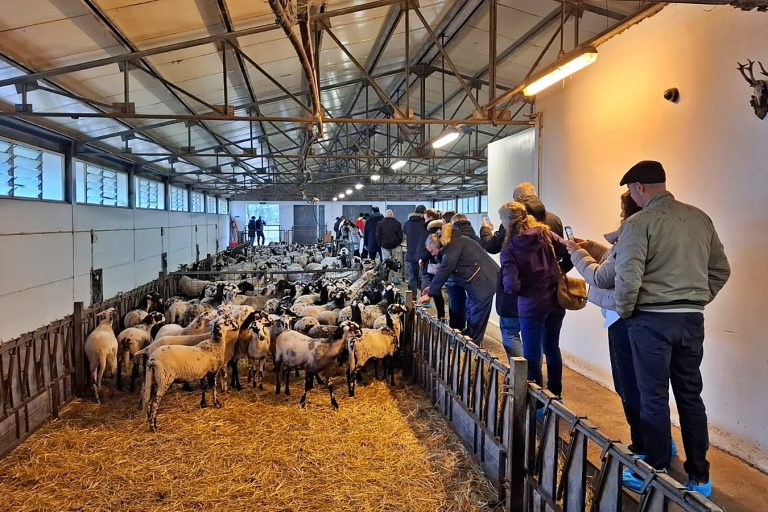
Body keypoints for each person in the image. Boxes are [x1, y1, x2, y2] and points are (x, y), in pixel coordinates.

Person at [613, 161, 730, 497]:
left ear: (639, 187)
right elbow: (721, 270)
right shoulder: (699, 218)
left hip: (650, 321)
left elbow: (628, 278)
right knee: (690, 394)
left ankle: (655, 469)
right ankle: (700, 476)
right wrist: (697, 300)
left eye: (631, 189)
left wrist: (626, 313)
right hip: (691, 320)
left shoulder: (638, 223)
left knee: (652, 396)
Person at [563, 191, 646, 455]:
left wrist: (577, 254)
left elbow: (601, 276)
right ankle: (659, 442)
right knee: (649, 386)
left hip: (623, 318)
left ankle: (643, 449)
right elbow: (614, 260)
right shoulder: (649, 234)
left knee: (628, 384)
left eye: (623, 209)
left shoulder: (633, 235)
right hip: (645, 318)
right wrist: (591, 247)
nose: (620, 214)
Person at [498, 201, 569, 398]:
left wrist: (523, 288)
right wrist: (556, 275)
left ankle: (536, 402)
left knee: (531, 355)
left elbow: (511, 286)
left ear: (507, 222)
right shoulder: (546, 233)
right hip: (555, 301)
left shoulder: (510, 248)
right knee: (552, 348)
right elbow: (568, 251)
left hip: (531, 306)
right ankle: (555, 395)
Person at [416, 223, 499, 344]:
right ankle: (467, 341)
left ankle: (471, 345)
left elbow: (446, 268)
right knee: (471, 310)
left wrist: (430, 293)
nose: (432, 254)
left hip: (484, 281)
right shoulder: (453, 243)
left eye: (432, 251)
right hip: (478, 281)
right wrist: (432, 287)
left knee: (476, 314)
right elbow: (447, 270)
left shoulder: (453, 245)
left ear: (437, 245)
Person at [480, 214, 522, 357]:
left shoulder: (509, 248)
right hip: (538, 298)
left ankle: (520, 370)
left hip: (513, 299)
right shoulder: (544, 234)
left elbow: (490, 246)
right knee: (534, 337)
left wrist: (485, 229)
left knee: (510, 333)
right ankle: (533, 370)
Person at [445, 214, 479, 331]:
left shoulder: (452, 237)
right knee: (472, 305)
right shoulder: (475, 237)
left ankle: (456, 331)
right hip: (473, 276)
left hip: (455, 276)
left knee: (456, 304)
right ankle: (471, 333)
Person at [403, 205, 428, 296]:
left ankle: (412, 297)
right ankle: (424, 298)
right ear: (424, 213)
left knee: (412, 276)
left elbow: (405, 232)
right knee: (424, 277)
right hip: (423, 253)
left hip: (411, 253)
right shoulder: (425, 224)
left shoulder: (407, 223)